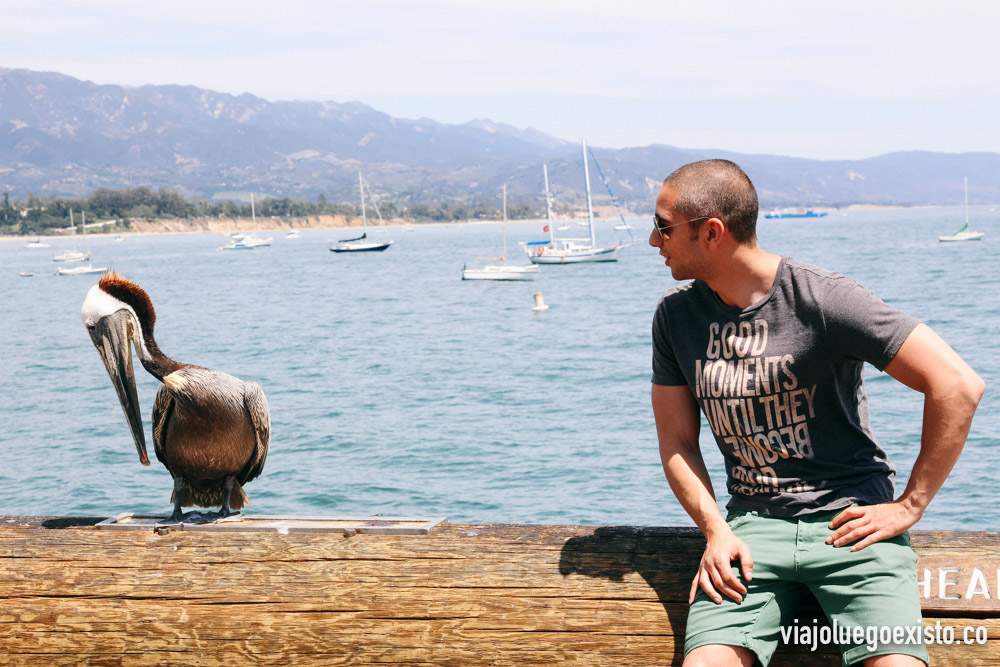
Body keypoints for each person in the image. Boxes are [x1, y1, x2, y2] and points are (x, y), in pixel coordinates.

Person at [648, 159, 984, 667]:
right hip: (750, 530)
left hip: (853, 526)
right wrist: (716, 528)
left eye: (663, 227)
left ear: (711, 232)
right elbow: (677, 441)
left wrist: (910, 505)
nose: (655, 241)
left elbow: (957, 384)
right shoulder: (676, 315)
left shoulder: (823, 299)